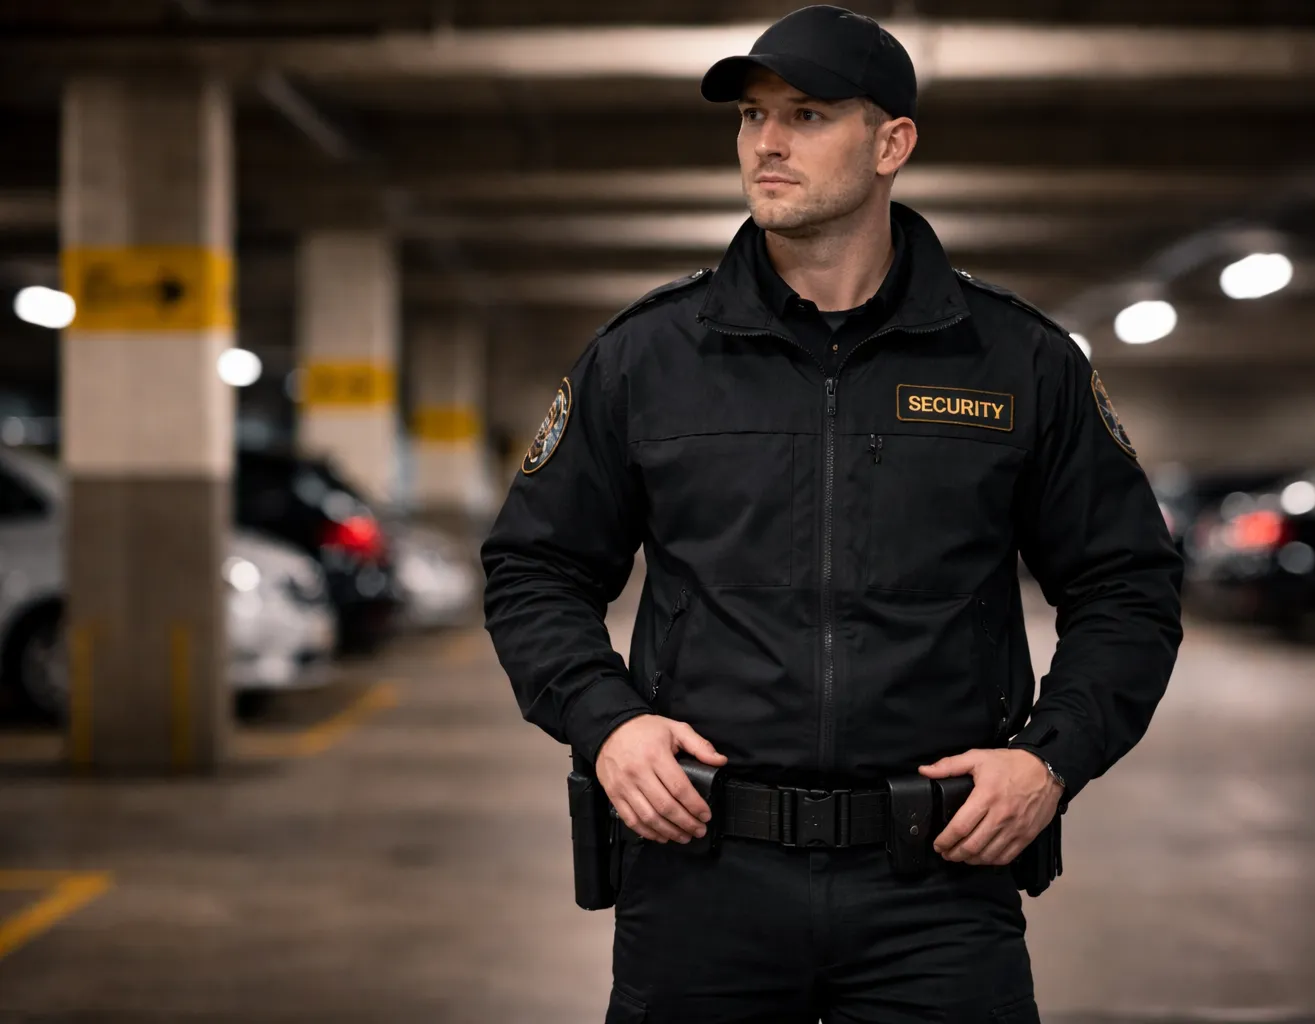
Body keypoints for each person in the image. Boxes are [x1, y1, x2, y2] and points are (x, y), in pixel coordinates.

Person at [481, 6, 1183, 1021]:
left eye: (807, 114)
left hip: (937, 885)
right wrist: (610, 723)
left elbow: (1127, 585)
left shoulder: (1017, 362)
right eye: (753, 117)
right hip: (700, 875)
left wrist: (1049, 757)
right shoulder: (647, 358)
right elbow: (534, 567)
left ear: (892, 142)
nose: (765, 142)